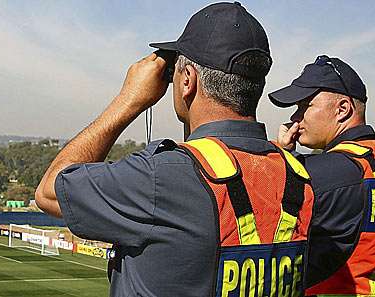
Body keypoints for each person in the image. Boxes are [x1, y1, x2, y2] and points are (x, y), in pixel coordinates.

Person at [35, 2, 314, 296]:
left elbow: (49, 192)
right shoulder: (295, 174)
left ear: (187, 81)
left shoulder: (161, 177)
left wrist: (128, 100)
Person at [269, 55, 375, 296]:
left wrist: (282, 155)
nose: (295, 118)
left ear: (342, 109)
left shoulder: (332, 171)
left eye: (304, 106)